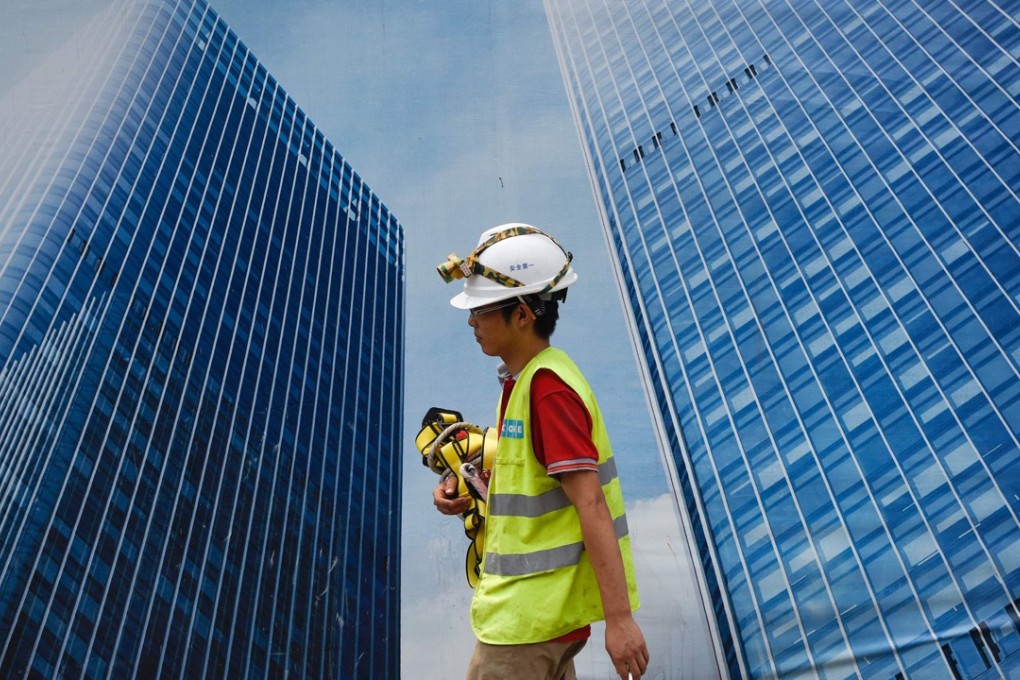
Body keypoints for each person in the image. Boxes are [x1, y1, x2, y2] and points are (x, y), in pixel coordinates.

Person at [433, 224, 649, 680]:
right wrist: (472, 488)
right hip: (537, 620)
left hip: (524, 626)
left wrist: (620, 618)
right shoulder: (528, 381)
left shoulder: (547, 390)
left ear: (523, 315)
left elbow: (590, 502)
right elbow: (536, 487)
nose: (471, 321)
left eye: (481, 310)